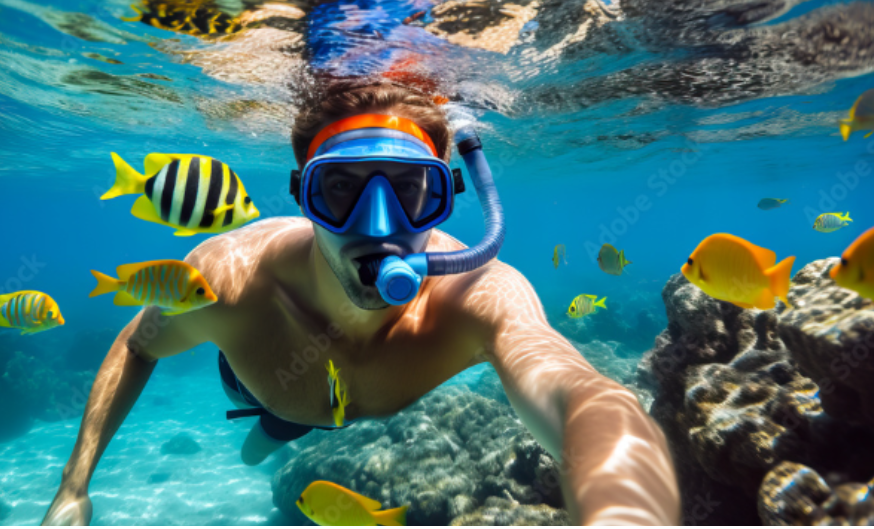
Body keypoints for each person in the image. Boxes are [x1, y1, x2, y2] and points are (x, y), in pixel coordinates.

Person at [42, 80, 679, 526]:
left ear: (445, 198)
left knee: (292, 418)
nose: (378, 227)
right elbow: (137, 345)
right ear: (302, 197)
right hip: (259, 379)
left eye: (410, 192)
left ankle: (283, 421)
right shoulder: (225, 281)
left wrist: (625, 512)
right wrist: (74, 488)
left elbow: (583, 396)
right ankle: (273, 421)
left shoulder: (479, 294)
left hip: (314, 393)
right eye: (339, 190)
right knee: (270, 427)